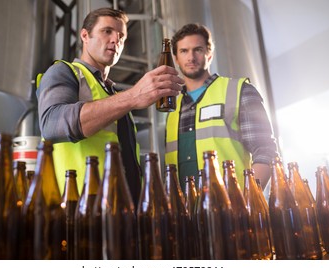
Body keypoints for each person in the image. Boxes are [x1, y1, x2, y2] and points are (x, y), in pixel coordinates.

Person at [36, 7, 184, 207]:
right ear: (85, 36)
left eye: (121, 35)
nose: (116, 40)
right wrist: (132, 96)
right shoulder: (63, 72)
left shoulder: (112, 94)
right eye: (107, 31)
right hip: (79, 209)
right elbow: (52, 125)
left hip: (121, 211)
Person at [165, 23, 279, 190]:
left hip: (233, 207)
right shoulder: (171, 107)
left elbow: (265, 150)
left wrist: (248, 199)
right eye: (184, 51)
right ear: (176, 59)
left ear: (209, 54)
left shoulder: (239, 91)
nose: (191, 57)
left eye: (198, 49)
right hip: (182, 211)